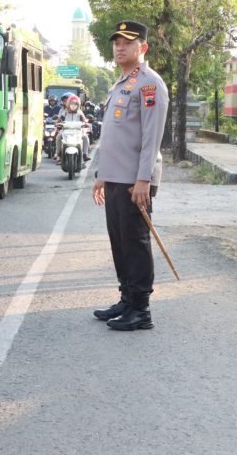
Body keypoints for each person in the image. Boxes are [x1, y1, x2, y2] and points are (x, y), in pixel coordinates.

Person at [91, 21, 169, 331]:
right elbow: (113, 135)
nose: (120, 47)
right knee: (119, 241)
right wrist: (102, 174)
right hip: (116, 178)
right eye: (117, 42)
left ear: (143, 47)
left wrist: (143, 180)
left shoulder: (149, 84)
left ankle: (140, 309)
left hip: (135, 181)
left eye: (127, 42)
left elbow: (152, 137)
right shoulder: (122, 83)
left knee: (135, 242)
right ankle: (126, 298)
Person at [54, 94, 90, 165]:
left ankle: (85, 154)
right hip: (66, 131)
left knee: (85, 137)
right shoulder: (65, 112)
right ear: (68, 104)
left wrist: (85, 123)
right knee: (58, 137)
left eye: (75, 104)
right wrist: (57, 124)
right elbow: (59, 119)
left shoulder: (80, 113)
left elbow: (84, 119)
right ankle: (59, 155)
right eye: (72, 104)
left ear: (78, 105)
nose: (73, 106)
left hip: (77, 132)